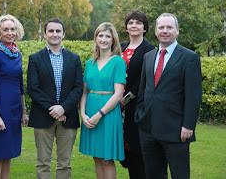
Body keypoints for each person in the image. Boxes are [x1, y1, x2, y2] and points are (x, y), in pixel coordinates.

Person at [135, 13, 202, 179]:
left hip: (176, 130)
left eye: (169, 27)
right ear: (156, 31)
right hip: (148, 128)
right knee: (153, 174)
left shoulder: (189, 58)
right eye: (161, 27)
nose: (165, 31)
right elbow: (143, 90)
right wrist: (140, 115)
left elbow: (193, 96)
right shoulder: (148, 56)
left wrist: (188, 126)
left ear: (177, 31)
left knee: (180, 175)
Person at [27, 18, 83, 179]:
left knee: (64, 163)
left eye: (58, 31)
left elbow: (78, 87)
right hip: (43, 116)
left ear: (63, 34)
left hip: (68, 116)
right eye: (51, 31)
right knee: (43, 162)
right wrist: (54, 109)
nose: (54, 34)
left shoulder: (74, 59)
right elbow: (33, 88)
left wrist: (63, 108)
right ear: (45, 34)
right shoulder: (35, 59)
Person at [79, 22, 126, 179]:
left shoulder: (118, 62)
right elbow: (85, 91)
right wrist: (83, 113)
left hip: (108, 114)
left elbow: (118, 94)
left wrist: (100, 114)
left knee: (106, 159)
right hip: (90, 111)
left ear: (113, 40)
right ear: (96, 38)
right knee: (96, 157)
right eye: (101, 35)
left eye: (108, 36)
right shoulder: (89, 63)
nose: (104, 39)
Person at [0, 14, 28, 179]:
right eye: (6, 29)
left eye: (13, 29)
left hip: (14, 109)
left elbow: (20, 85)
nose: (10, 32)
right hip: (0, 109)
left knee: (9, 153)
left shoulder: (17, 53)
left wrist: (23, 111)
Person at [120, 10, 154, 179]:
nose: (134, 25)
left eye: (138, 23)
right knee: (126, 152)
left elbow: (144, 79)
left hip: (136, 107)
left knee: (137, 151)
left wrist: (125, 99)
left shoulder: (149, 50)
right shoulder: (121, 47)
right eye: (131, 22)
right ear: (126, 27)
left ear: (144, 28)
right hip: (118, 108)